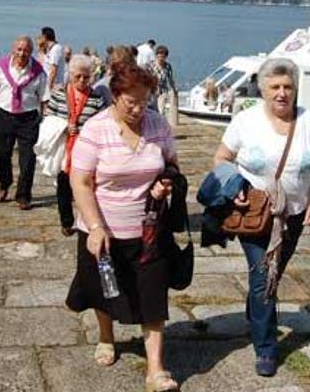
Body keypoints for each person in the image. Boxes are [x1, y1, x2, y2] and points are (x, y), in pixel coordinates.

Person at [212, 57, 310, 377]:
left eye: (287, 87)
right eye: (275, 87)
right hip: (253, 213)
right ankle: (266, 348)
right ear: (263, 89)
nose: (281, 93)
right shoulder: (246, 120)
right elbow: (222, 158)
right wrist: (233, 186)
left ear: (295, 90)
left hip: (292, 215)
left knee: (272, 275)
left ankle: (255, 315)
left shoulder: (309, 122)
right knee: (264, 277)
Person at [66, 56, 180, 392]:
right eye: (132, 102)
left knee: (153, 294)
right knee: (103, 289)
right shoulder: (96, 129)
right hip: (102, 227)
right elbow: (81, 181)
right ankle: (106, 336)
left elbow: (172, 165)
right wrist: (95, 226)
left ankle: (156, 369)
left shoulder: (158, 125)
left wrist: (166, 182)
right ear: (115, 96)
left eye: (145, 101)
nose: (139, 109)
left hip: (148, 229)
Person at [0, 35, 50, 210]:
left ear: (31, 52)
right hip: (3, 115)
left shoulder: (39, 72)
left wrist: (46, 121)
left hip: (28, 118)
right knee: (0, 155)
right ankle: (5, 183)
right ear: (13, 50)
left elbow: (44, 99)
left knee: (28, 160)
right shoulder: (1, 68)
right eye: (19, 49)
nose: (22, 53)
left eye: (26, 50)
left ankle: (24, 195)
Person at [45, 54, 109, 237]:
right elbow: (48, 118)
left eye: (86, 77)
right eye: (78, 77)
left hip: (87, 150)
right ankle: (66, 222)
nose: (82, 80)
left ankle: (88, 218)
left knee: (88, 186)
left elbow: (102, 122)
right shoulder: (58, 94)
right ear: (71, 75)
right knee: (64, 187)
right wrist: (64, 126)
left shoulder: (96, 98)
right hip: (65, 149)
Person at [152, 45, 177, 122]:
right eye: (159, 56)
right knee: (152, 111)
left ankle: (159, 127)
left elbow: (170, 79)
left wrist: (174, 89)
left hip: (162, 91)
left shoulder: (168, 66)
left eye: (163, 57)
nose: (161, 59)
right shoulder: (151, 65)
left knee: (161, 110)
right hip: (152, 91)